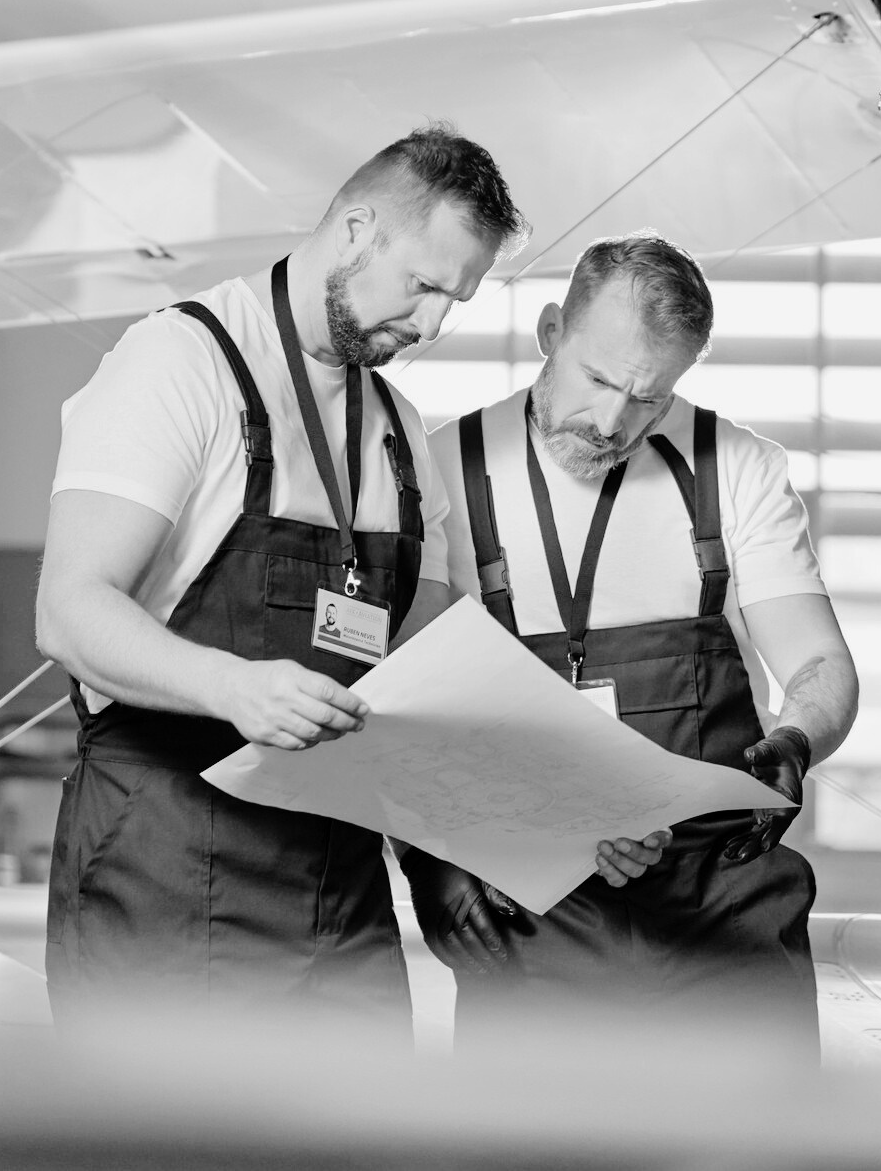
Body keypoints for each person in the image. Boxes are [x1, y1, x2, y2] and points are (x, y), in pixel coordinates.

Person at [33, 124, 527, 1031]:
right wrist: (233, 687)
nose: (430, 325)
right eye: (422, 285)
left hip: (338, 881)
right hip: (169, 864)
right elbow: (70, 611)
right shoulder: (180, 363)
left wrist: (500, 830)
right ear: (353, 231)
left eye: (454, 301)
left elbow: (425, 655)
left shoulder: (396, 428)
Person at [408, 232, 859, 1039]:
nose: (614, 422)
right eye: (599, 380)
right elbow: (412, 699)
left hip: (725, 911)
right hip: (532, 913)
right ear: (551, 332)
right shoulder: (445, 469)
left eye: (650, 398)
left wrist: (798, 742)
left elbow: (820, 662)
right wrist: (431, 856)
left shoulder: (736, 468)